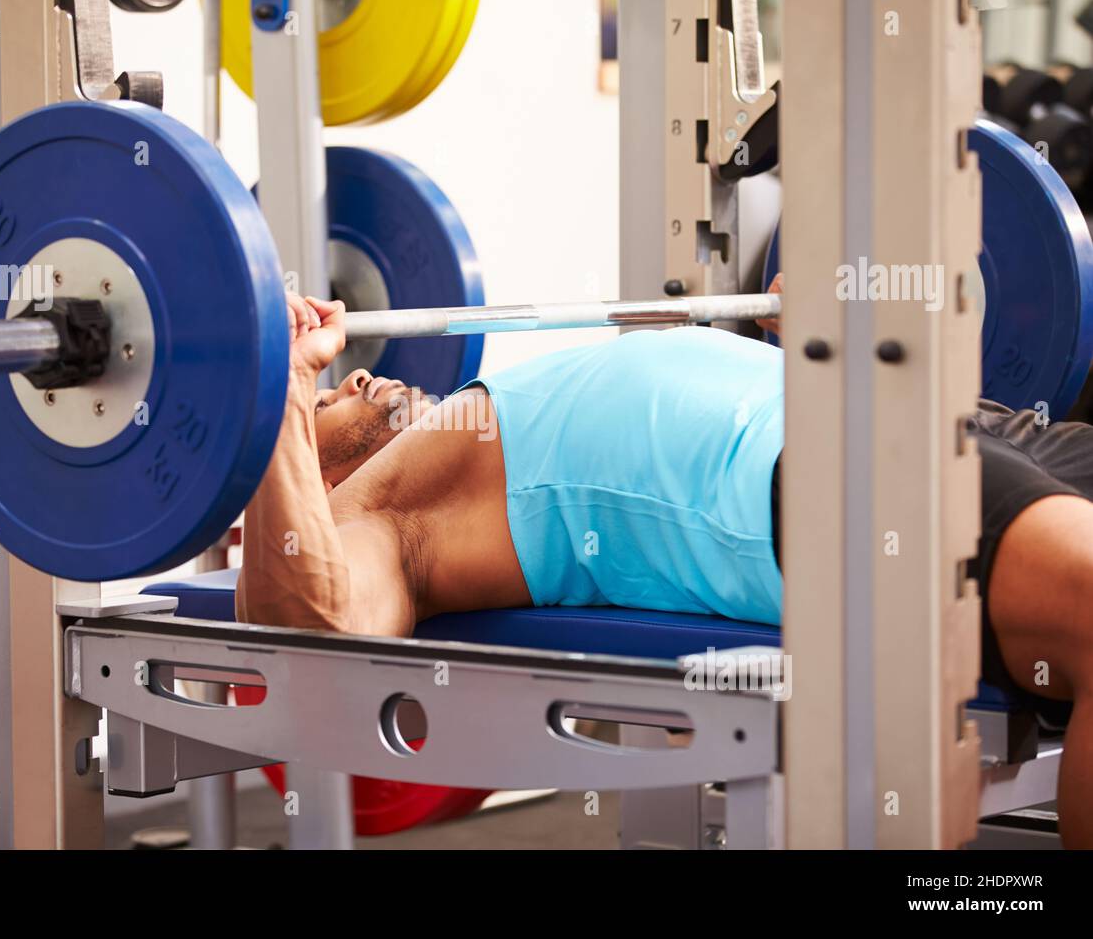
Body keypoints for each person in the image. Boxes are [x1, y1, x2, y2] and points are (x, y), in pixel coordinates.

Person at [237, 277, 1093, 848]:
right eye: (321, 396)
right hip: (823, 470)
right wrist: (272, 389)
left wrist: (817, 347)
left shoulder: (456, 422)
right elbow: (310, 634)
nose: (350, 381)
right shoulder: (386, 522)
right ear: (302, 473)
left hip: (955, 420)